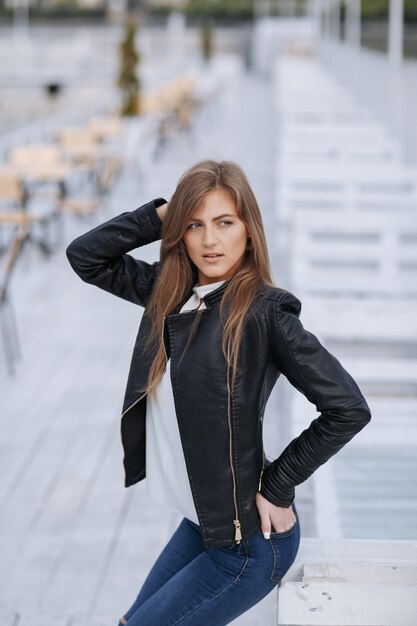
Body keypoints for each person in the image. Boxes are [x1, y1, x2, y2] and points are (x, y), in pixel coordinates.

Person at [66, 159, 371, 625]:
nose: (210, 240)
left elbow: (348, 408)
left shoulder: (266, 315)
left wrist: (279, 484)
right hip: (204, 521)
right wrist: (163, 215)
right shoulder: (169, 292)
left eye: (225, 223)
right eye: (195, 225)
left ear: (248, 229)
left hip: (246, 546)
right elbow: (85, 255)